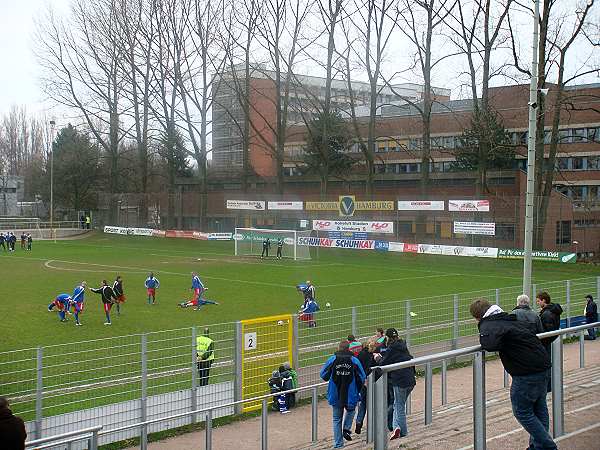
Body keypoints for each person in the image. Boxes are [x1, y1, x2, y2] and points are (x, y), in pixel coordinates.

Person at [470, 299, 556, 450]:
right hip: (542, 365)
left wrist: (482, 326)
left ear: (478, 316)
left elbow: (489, 345)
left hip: (527, 372)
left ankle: (548, 446)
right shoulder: (506, 317)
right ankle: (538, 447)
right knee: (539, 408)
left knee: (522, 412)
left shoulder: (491, 323)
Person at [320, 341, 366, 448]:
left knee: (336, 419)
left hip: (335, 394)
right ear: (349, 348)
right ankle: (346, 428)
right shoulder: (354, 360)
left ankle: (338, 444)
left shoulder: (332, 359)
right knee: (351, 411)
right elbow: (362, 376)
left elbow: (323, 375)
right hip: (351, 394)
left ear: (339, 348)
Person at [374, 328, 416, 441]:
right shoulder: (403, 345)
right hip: (410, 379)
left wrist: (377, 358)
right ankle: (396, 428)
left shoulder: (391, 348)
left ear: (387, 338)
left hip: (400, 380)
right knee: (399, 404)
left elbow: (384, 363)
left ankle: (401, 431)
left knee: (399, 406)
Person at [355, 339, 376, 434]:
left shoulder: (361, 355)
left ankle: (359, 422)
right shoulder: (373, 356)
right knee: (374, 403)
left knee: (363, 403)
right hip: (372, 382)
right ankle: (375, 423)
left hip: (363, 382)